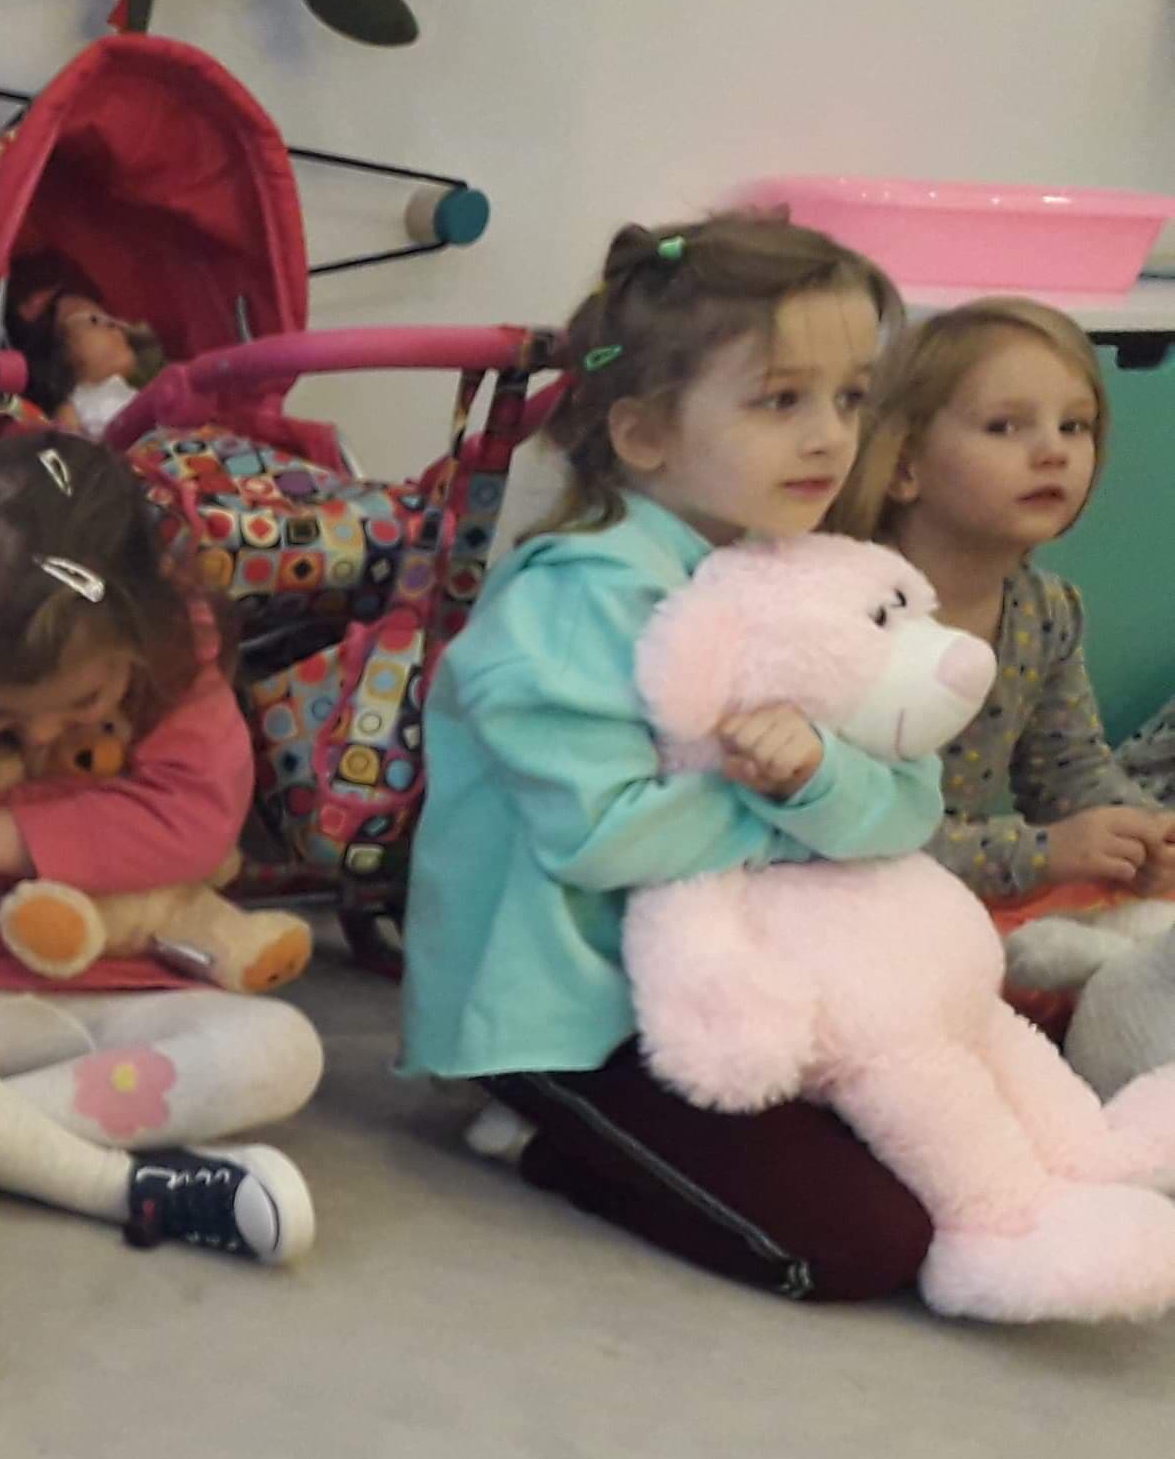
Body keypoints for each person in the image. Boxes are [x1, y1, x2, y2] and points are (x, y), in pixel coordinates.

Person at [399, 213, 943, 1301]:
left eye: (849, 398)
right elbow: (602, 837)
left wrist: (819, 774)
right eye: (780, 401)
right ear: (645, 435)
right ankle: (543, 1139)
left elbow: (911, 803)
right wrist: (787, 807)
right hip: (569, 1017)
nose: (831, 438)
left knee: (943, 1136)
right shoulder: (572, 599)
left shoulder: (811, 576)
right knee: (868, 1245)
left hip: (749, 976)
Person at [0, 433, 323, 1264]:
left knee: (286, 1050)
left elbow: (194, 821)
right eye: (0, 725)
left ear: (139, 631)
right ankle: (108, 1180)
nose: (44, 737)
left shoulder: (177, 666)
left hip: (130, 992)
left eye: (82, 703)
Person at [831, 294, 1172, 903]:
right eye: (1005, 427)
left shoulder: (1046, 612)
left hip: (944, 901)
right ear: (904, 466)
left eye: (1075, 426)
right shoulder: (847, 606)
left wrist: (1146, 834)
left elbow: (1069, 771)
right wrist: (1042, 853)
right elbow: (844, 826)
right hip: (823, 895)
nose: (1053, 452)